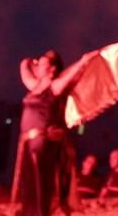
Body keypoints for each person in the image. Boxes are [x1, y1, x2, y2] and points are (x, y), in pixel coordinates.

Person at [14, 48, 97, 216]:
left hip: (42, 143)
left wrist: (84, 60)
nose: (38, 65)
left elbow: (71, 74)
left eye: (43, 63)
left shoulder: (55, 86)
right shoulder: (35, 86)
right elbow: (24, 68)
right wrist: (29, 61)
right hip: (28, 144)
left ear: (52, 68)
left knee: (41, 186)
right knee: (30, 189)